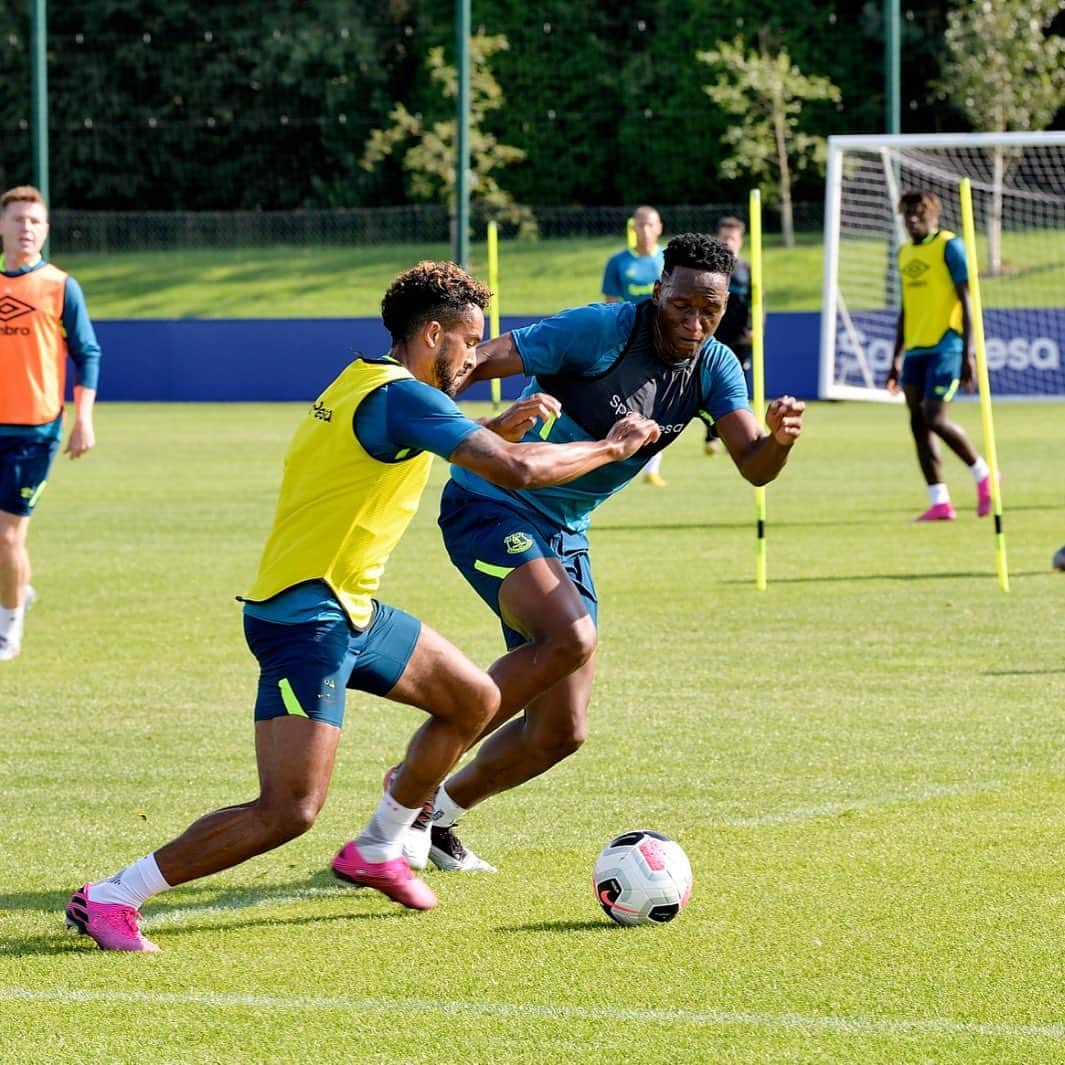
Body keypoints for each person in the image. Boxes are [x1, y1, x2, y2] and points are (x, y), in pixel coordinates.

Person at [64, 261, 659, 951]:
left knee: (471, 700)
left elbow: (409, 448)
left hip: (351, 609)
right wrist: (609, 448)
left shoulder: (365, 379)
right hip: (303, 618)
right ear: (432, 333)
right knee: (288, 809)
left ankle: (378, 846)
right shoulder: (405, 397)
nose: (475, 356)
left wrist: (499, 423)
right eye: (468, 341)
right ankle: (110, 895)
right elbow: (517, 469)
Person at [395, 233, 806, 875]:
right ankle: (414, 778)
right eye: (682, 305)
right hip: (491, 504)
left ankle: (439, 812)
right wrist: (448, 425)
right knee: (570, 634)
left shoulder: (716, 366)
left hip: (565, 531)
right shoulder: (598, 331)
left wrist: (779, 440)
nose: (695, 322)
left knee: (561, 731)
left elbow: (754, 466)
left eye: (711, 311)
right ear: (657, 287)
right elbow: (470, 361)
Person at [0, 185, 100, 661]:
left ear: (45, 229)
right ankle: (19, 589)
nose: (26, 228)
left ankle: (8, 629)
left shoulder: (60, 286)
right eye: (18, 219)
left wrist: (85, 420)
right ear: (1, 226)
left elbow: (87, 353)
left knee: (8, 533)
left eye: (35, 221)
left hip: (34, 432)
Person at [886, 190, 993, 522]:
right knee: (918, 425)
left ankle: (983, 473)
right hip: (915, 350)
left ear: (934, 215)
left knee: (935, 417)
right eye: (908, 215)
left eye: (920, 213)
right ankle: (940, 501)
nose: (913, 219)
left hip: (947, 346)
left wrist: (970, 353)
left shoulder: (950, 246)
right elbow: (906, 308)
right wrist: (896, 357)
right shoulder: (904, 254)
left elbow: (967, 300)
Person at [601, 205, 669, 486]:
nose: (644, 230)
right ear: (632, 228)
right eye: (639, 225)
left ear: (659, 227)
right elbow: (611, 305)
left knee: (662, 404)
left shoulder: (667, 260)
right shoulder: (618, 263)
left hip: (662, 343)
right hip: (629, 344)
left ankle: (652, 468)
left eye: (649, 225)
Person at [704, 216, 752, 457]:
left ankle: (731, 436)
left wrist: (755, 327)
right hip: (714, 338)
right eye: (723, 238)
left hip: (741, 340)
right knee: (709, 387)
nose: (728, 242)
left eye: (732, 238)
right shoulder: (711, 270)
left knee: (736, 387)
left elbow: (757, 302)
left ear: (740, 241)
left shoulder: (748, 270)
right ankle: (711, 435)